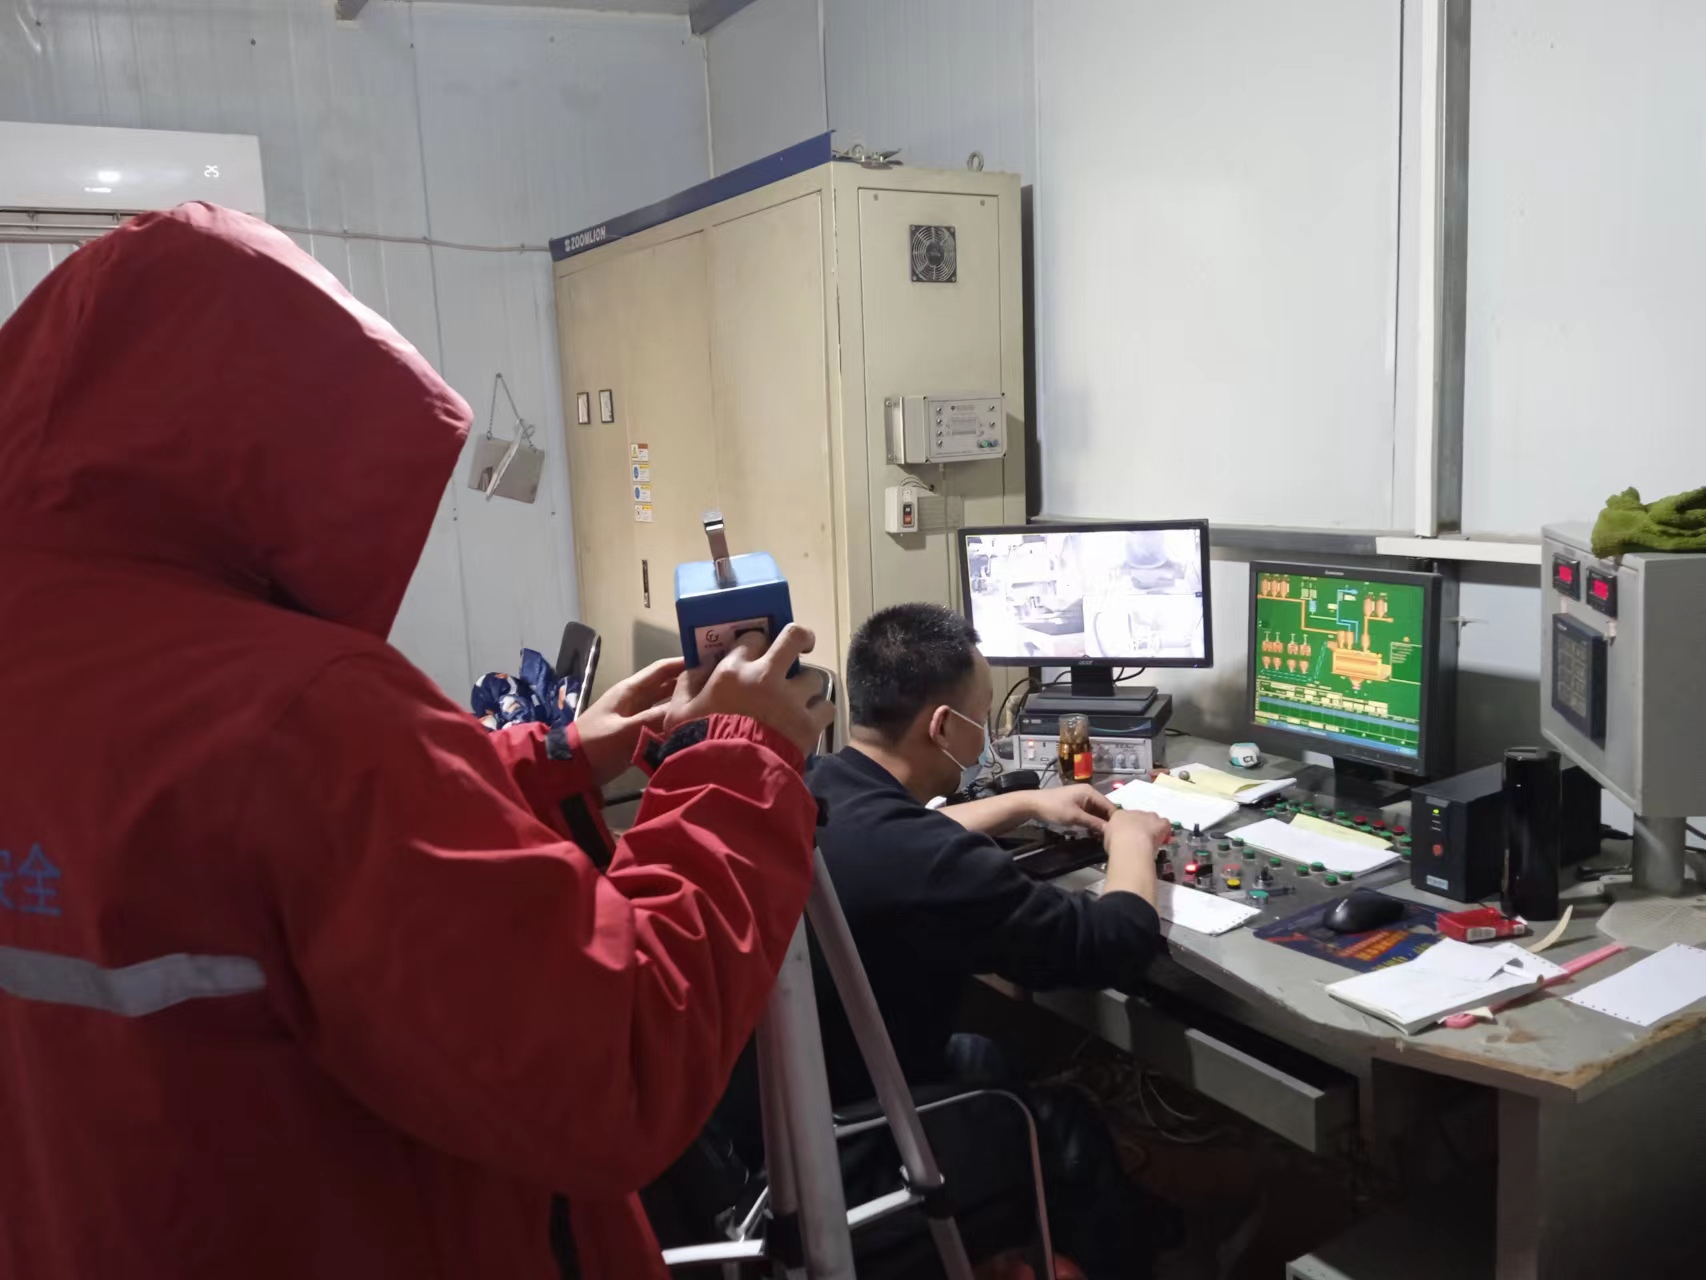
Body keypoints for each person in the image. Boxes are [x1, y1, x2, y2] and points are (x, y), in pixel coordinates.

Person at [0, 204, 833, 1280]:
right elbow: (613, 1054)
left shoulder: (68, 654)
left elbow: (222, 859)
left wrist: (551, 758)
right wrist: (739, 760)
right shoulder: (302, 711)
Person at [716, 603, 1176, 1277]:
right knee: (1066, 1122)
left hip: (759, 1120)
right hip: (830, 1155)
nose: (985, 735)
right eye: (982, 718)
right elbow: (1110, 942)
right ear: (942, 727)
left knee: (980, 1055)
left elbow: (894, 832)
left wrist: (1025, 803)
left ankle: (1024, 1237)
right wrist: (1132, 841)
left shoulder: (817, 782)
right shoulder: (930, 867)